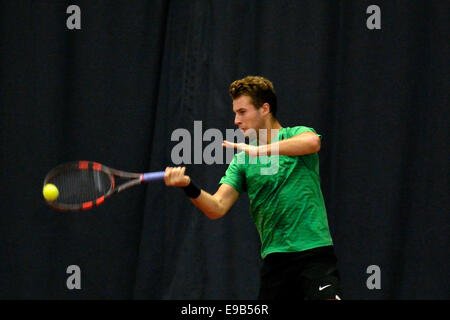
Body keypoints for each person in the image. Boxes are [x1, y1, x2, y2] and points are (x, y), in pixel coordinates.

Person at [164, 76, 342, 300]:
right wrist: (188, 186)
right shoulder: (242, 161)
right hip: (275, 260)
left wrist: (261, 150)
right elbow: (216, 207)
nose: (236, 120)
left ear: (264, 108)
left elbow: (312, 142)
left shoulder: (295, 135)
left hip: (314, 253)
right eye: (235, 113)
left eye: (242, 112)